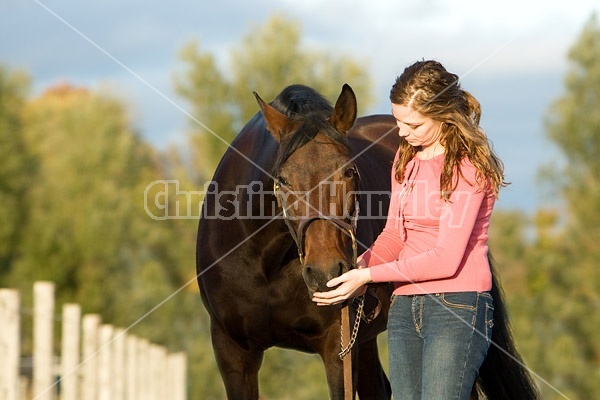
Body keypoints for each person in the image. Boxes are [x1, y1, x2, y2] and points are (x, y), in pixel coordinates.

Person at [312, 59, 507, 400]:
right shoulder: (408, 161)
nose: (401, 132)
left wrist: (370, 278)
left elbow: (445, 259)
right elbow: (393, 236)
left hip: (457, 306)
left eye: (413, 124)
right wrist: (358, 270)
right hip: (404, 306)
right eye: (399, 121)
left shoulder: (468, 168)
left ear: (443, 114)